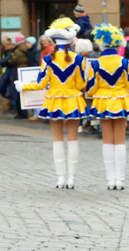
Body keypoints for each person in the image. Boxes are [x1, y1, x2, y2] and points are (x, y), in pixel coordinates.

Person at [16, 18, 89, 189]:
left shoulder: (48, 59)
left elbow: (41, 83)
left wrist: (23, 86)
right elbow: (82, 84)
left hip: (54, 101)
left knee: (57, 140)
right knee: (73, 139)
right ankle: (71, 178)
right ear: (71, 40)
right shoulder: (78, 59)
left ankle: (60, 178)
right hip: (73, 101)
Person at [87, 23, 129, 190]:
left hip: (103, 101)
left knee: (107, 140)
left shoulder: (96, 64)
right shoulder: (124, 61)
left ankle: (110, 180)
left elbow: (90, 89)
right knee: (120, 140)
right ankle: (120, 180)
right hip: (120, 100)